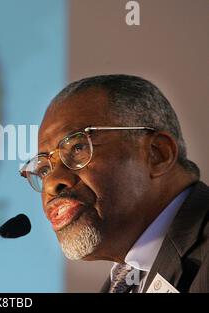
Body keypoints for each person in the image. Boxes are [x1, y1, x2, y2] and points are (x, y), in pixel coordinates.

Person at [20, 74, 208, 293]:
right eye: (43, 169)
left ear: (157, 154)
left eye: (78, 148)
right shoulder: (126, 281)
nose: (51, 183)